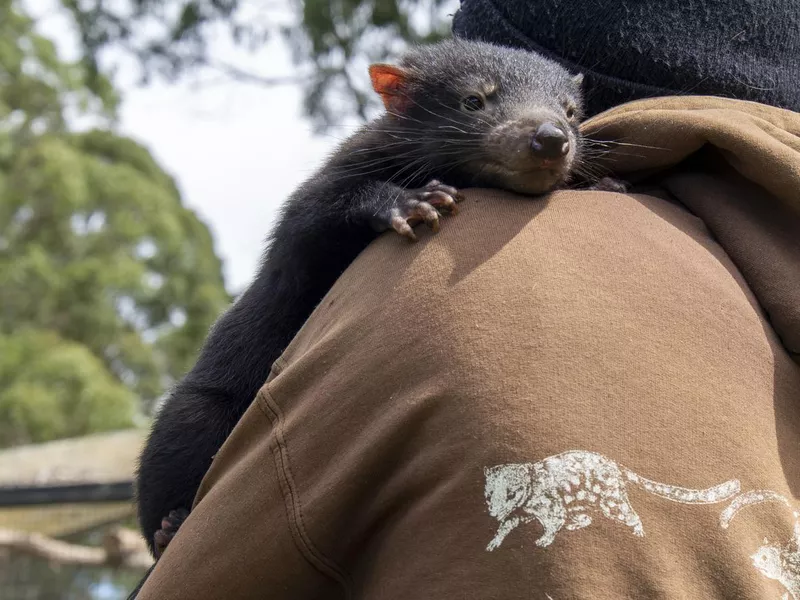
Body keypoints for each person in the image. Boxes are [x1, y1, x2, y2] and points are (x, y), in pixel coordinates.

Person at [135, 1, 800, 597]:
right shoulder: (377, 170)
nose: (549, 135)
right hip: (231, 403)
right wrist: (381, 204)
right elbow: (307, 233)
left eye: (568, 119)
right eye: (481, 104)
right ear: (399, 97)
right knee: (193, 422)